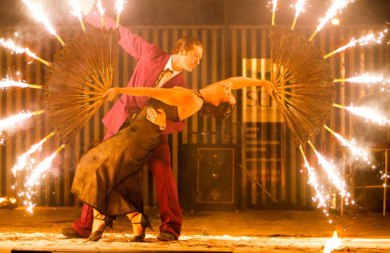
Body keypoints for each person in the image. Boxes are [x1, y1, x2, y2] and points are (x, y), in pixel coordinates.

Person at [60, 1, 203, 241]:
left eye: (200, 59)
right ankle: (84, 225)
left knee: (164, 173)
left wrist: (162, 124)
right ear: (181, 49)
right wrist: (91, 13)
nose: (197, 62)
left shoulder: (183, 86)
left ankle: (170, 228)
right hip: (121, 122)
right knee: (98, 165)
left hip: (152, 133)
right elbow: (121, 33)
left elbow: (181, 122)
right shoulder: (151, 52)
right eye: (195, 56)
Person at [70, 76, 277, 242]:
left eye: (228, 94)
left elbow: (153, 92)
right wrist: (262, 82)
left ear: (216, 101)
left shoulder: (193, 99)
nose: (228, 88)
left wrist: (119, 90)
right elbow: (235, 80)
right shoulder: (203, 93)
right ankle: (135, 220)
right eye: (230, 92)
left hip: (142, 134)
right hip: (139, 128)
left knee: (99, 164)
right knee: (118, 173)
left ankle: (103, 219)